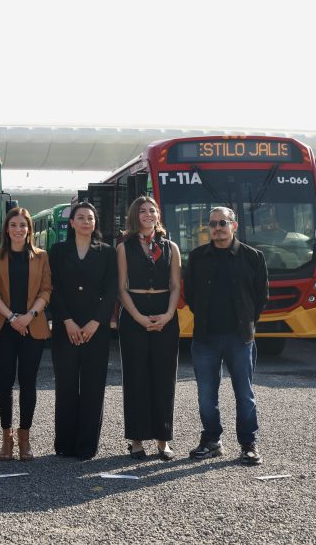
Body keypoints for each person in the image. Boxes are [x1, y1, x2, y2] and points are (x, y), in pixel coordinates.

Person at [183, 206, 268, 466]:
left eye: (223, 223)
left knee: (245, 394)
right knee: (206, 395)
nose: (217, 228)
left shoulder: (253, 257)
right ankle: (212, 441)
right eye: (213, 224)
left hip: (239, 338)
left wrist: (247, 322)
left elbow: (261, 297)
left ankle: (248, 444)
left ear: (234, 225)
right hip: (205, 338)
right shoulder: (197, 257)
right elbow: (190, 294)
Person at [47, 201, 117, 460]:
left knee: (93, 387)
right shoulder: (58, 251)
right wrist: (66, 320)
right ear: (72, 223)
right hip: (65, 328)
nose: (86, 221)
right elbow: (51, 287)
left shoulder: (107, 252)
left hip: (95, 330)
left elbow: (111, 290)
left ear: (95, 223)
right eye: (81, 217)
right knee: (65, 386)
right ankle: (65, 444)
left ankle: (87, 446)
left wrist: (96, 322)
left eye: (90, 218)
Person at [0, 207, 52, 461]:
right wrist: (12, 317)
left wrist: (29, 316)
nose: (18, 229)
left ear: (29, 229)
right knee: (5, 383)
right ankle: (6, 439)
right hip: (3, 327)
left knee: (28, 382)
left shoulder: (41, 256)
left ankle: (25, 439)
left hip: (33, 326)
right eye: (13, 225)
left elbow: (46, 290)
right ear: (6, 229)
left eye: (23, 225)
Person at [116, 196, 182, 461]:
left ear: (158, 215)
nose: (148, 214)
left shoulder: (171, 247)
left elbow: (175, 285)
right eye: (142, 211)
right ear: (135, 216)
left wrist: (168, 315)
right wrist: (139, 318)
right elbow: (121, 288)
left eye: (152, 210)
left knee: (164, 379)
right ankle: (136, 440)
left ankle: (163, 440)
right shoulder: (124, 247)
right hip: (134, 314)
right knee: (136, 378)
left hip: (166, 313)